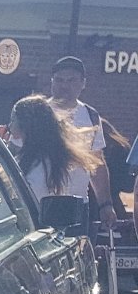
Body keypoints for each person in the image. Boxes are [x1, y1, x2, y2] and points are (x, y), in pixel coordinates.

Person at [47, 56, 117, 230]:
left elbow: (96, 164)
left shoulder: (90, 116)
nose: (65, 86)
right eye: (59, 80)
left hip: (77, 204)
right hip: (41, 202)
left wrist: (105, 204)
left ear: (83, 83)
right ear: (52, 82)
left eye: (71, 80)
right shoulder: (39, 112)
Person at [7, 94, 104, 204]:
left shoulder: (37, 165)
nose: (9, 125)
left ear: (24, 124)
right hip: (76, 217)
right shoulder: (69, 158)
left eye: (13, 120)